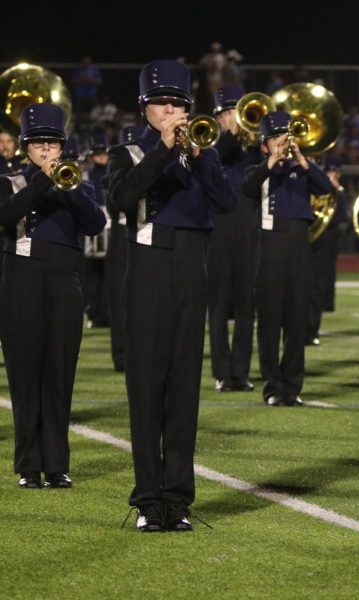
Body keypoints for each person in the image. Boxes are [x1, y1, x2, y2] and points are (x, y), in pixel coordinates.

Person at [108, 59, 236, 532]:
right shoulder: (128, 151)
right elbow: (120, 199)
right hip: (146, 265)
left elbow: (226, 203)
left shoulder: (203, 149)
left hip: (190, 265)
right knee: (146, 387)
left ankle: (178, 499)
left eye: (178, 103)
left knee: (183, 388)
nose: (171, 110)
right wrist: (163, 150)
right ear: (145, 110)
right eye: (162, 103)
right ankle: (148, 500)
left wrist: (199, 157)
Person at [0, 103, 106, 489]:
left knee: (60, 374)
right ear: (25, 148)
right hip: (21, 281)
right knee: (25, 374)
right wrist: (43, 181)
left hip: (64, 281)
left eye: (53, 143)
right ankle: (29, 464)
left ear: (62, 148)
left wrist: (71, 187)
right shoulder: (11, 180)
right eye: (39, 143)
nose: (46, 149)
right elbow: (7, 215)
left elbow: (96, 223)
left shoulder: (78, 182)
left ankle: (57, 464)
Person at [243, 110, 333, 406]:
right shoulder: (260, 169)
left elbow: (326, 187)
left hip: (298, 247)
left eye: (285, 138)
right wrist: (272, 161)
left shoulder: (302, 170)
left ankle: (292, 387)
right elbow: (248, 188)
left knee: (296, 321)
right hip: (269, 247)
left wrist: (301, 158)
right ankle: (272, 386)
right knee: (269, 322)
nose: (282, 143)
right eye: (275, 139)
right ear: (264, 144)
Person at [208, 85, 259, 392]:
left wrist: (251, 135)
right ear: (218, 116)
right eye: (228, 112)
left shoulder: (253, 146)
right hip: (217, 229)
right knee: (218, 302)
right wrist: (230, 134)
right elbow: (218, 156)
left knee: (246, 303)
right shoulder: (211, 142)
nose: (235, 117)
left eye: (237, 111)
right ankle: (221, 371)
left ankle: (240, 371)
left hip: (247, 227)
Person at [106, 125, 141, 373]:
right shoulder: (115, 172)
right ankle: (121, 355)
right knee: (118, 295)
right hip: (121, 234)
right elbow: (113, 206)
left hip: (142, 232)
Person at [308, 156, 346, 346]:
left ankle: (312, 330)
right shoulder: (305, 178)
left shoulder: (335, 189)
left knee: (317, 286)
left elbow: (341, 217)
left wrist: (336, 191)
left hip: (324, 239)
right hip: (302, 236)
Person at [83, 133, 112, 330]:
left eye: (104, 154)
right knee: (92, 273)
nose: (101, 157)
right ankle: (94, 312)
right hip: (93, 224)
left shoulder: (114, 171)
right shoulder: (86, 176)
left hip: (111, 225)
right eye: (98, 154)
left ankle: (107, 312)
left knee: (109, 273)